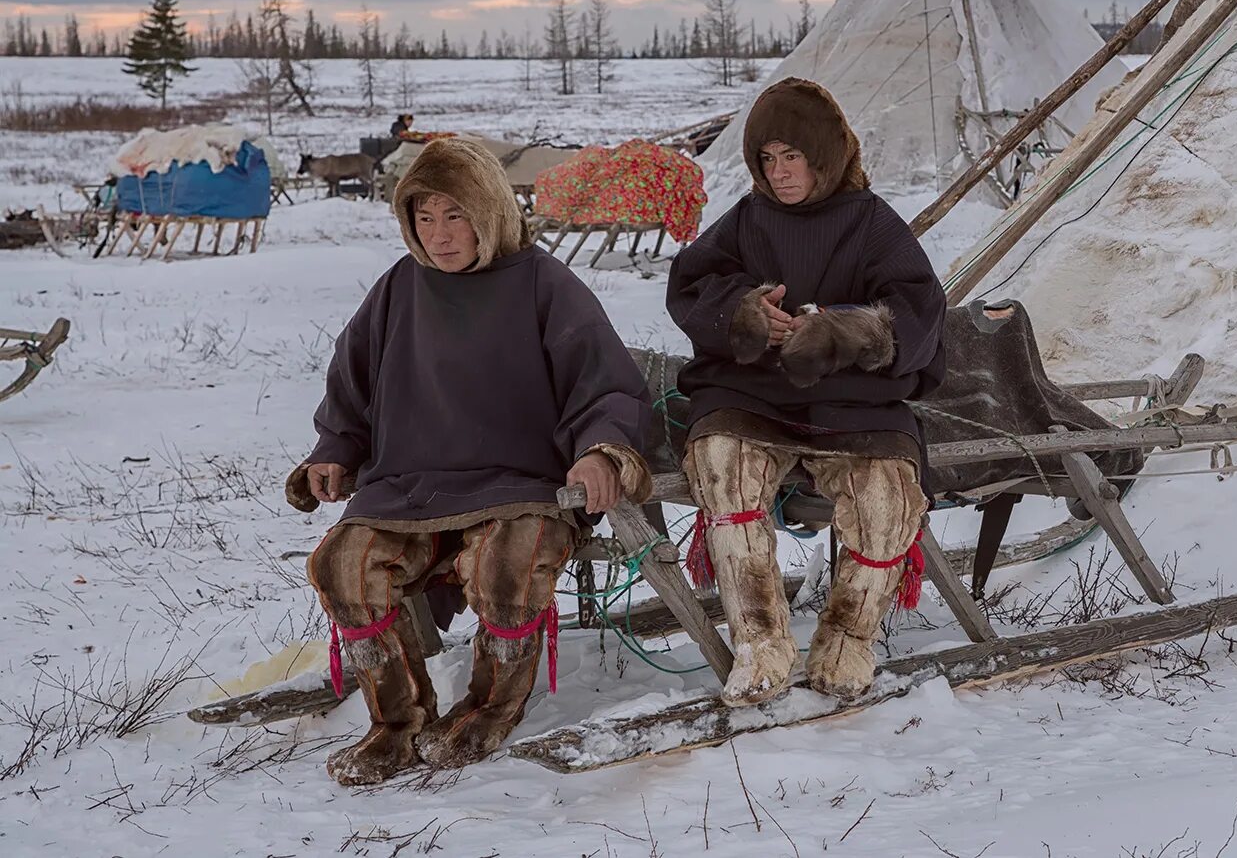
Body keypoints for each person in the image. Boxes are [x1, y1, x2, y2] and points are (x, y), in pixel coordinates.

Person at [302, 137, 651, 786]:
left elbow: (605, 385)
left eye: (455, 214)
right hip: (412, 487)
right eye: (424, 217)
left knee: (508, 563)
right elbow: (349, 386)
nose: (439, 234)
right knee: (341, 562)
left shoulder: (544, 284)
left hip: (520, 487)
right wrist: (336, 448)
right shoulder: (399, 289)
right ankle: (398, 721)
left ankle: (491, 708)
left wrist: (602, 452)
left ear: (488, 210)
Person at [666, 77, 946, 707]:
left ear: (825, 155)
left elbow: (919, 315)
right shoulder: (746, 220)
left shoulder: (874, 224)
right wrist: (745, 314)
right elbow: (691, 286)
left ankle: (849, 636)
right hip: (750, 396)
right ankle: (760, 641)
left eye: (792, 156)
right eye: (766, 159)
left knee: (887, 499)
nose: (779, 172)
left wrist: (842, 329)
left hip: (853, 404)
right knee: (723, 468)